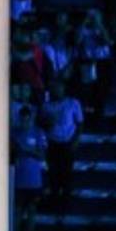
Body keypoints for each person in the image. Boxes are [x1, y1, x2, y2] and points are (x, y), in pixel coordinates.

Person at [40, 81, 83, 215]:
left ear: (64, 88)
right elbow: (42, 125)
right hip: (52, 144)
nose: (56, 90)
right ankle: (54, 203)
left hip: (68, 143)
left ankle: (66, 205)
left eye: (59, 87)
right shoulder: (46, 106)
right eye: (54, 87)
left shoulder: (73, 103)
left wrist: (75, 141)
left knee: (66, 175)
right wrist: (48, 123)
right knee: (53, 174)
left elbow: (80, 123)